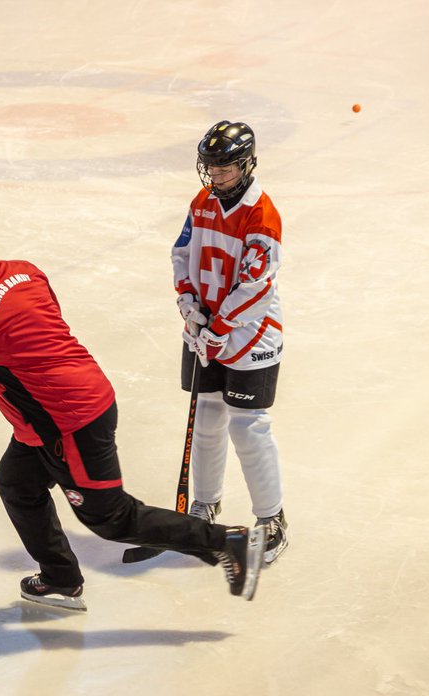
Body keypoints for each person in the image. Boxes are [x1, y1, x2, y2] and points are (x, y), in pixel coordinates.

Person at [0, 208, 266, 611]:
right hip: (71, 402)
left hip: (67, 422)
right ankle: (60, 579)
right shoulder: (24, 272)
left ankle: (229, 541)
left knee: (112, 518)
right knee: (17, 483)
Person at [170, 120, 288, 566]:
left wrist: (219, 329)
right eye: (210, 168)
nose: (215, 177)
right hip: (205, 330)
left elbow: (256, 286)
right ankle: (205, 504)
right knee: (207, 416)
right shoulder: (202, 202)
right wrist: (188, 305)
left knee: (248, 426)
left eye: (224, 169)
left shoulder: (262, 215)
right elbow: (182, 253)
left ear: (247, 164)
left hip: (250, 335)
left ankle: (273, 519)